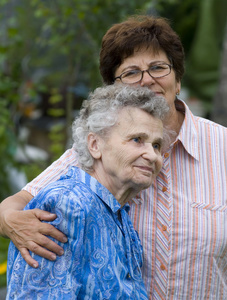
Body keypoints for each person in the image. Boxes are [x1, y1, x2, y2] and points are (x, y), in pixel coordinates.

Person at [1, 15, 227, 299]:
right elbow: (21, 202)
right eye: (131, 72)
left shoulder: (223, 147)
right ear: (114, 90)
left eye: (158, 67)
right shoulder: (99, 153)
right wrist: (9, 219)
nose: (147, 80)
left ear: (178, 79)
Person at [6, 84, 168, 299]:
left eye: (156, 145)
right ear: (94, 144)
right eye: (137, 139)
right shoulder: (69, 204)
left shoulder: (115, 211)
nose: (152, 155)